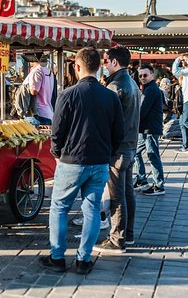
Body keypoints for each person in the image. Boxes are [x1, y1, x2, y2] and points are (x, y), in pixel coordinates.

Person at [39, 47, 124, 275]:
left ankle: (57, 257)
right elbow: (119, 133)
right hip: (99, 162)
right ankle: (84, 259)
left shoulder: (67, 95)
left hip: (71, 161)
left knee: (59, 207)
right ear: (98, 67)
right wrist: (108, 154)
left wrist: (57, 154)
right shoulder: (111, 96)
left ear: (77, 67)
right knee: (92, 209)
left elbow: (57, 132)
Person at [98, 45, 140, 253]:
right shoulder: (131, 81)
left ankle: (117, 239)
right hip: (130, 144)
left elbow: (107, 119)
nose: (104, 66)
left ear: (114, 62)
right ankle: (128, 234)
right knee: (127, 192)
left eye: (106, 61)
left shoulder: (116, 85)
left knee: (117, 195)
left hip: (118, 148)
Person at [134, 65, 165, 196]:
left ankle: (159, 185)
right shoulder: (148, 88)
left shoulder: (151, 90)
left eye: (145, 75)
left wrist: (131, 123)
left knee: (153, 155)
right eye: (140, 76)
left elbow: (142, 110)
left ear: (152, 75)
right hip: (145, 128)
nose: (142, 78)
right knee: (135, 152)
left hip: (150, 128)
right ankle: (141, 179)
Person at [23, 54, 56, 126]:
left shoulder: (37, 71)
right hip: (47, 112)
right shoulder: (48, 71)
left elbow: (34, 91)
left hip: (38, 115)